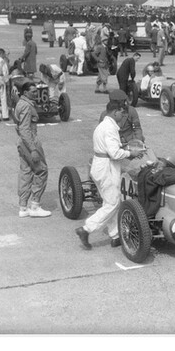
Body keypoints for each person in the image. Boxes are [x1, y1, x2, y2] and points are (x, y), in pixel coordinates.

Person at [75, 100, 143, 248]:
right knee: (112, 203)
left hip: (100, 166)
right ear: (115, 112)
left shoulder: (102, 126)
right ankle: (86, 229)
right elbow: (114, 153)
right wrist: (132, 152)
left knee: (110, 201)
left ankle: (115, 235)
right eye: (122, 112)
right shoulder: (110, 128)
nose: (123, 115)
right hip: (107, 168)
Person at [15, 81, 51, 218]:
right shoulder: (26, 106)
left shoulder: (21, 103)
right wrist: (33, 149)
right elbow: (24, 129)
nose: (36, 94)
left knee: (26, 173)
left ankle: (23, 207)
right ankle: (35, 205)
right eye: (33, 92)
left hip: (22, 141)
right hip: (29, 140)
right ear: (25, 93)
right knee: (41, 170)